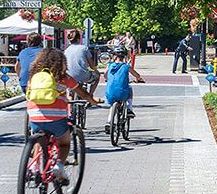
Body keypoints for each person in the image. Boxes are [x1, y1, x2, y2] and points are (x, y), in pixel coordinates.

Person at [25, 46, 98, 183]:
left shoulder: (34, 77)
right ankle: (59, 166)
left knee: (39, 140)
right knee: (64, 144)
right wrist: (93, 101)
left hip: (35, 116)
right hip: (56, 118)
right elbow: (82, 93)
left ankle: (34, 166)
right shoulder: (63, 78)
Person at [103, 44, 141, 118]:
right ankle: (129, 108)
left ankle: (109, 121)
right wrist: (137, 79)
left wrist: (108, 79)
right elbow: (137, 75)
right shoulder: (126, 66)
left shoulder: (110, 65)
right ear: (124, 57)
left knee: (112, 105)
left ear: (114, 56)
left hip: (110, 92)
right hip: (122, 93)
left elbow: (105, 74)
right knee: (129, 88)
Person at [63, 28, 100, 97]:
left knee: (70, 92)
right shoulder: (84, 48)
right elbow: (92, 65)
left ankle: (70, 103)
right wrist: (96, 70)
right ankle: (90, 95)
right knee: (97, 77)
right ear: (78, 39)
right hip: (83, 76)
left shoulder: (66, 50)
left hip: (70, 76)